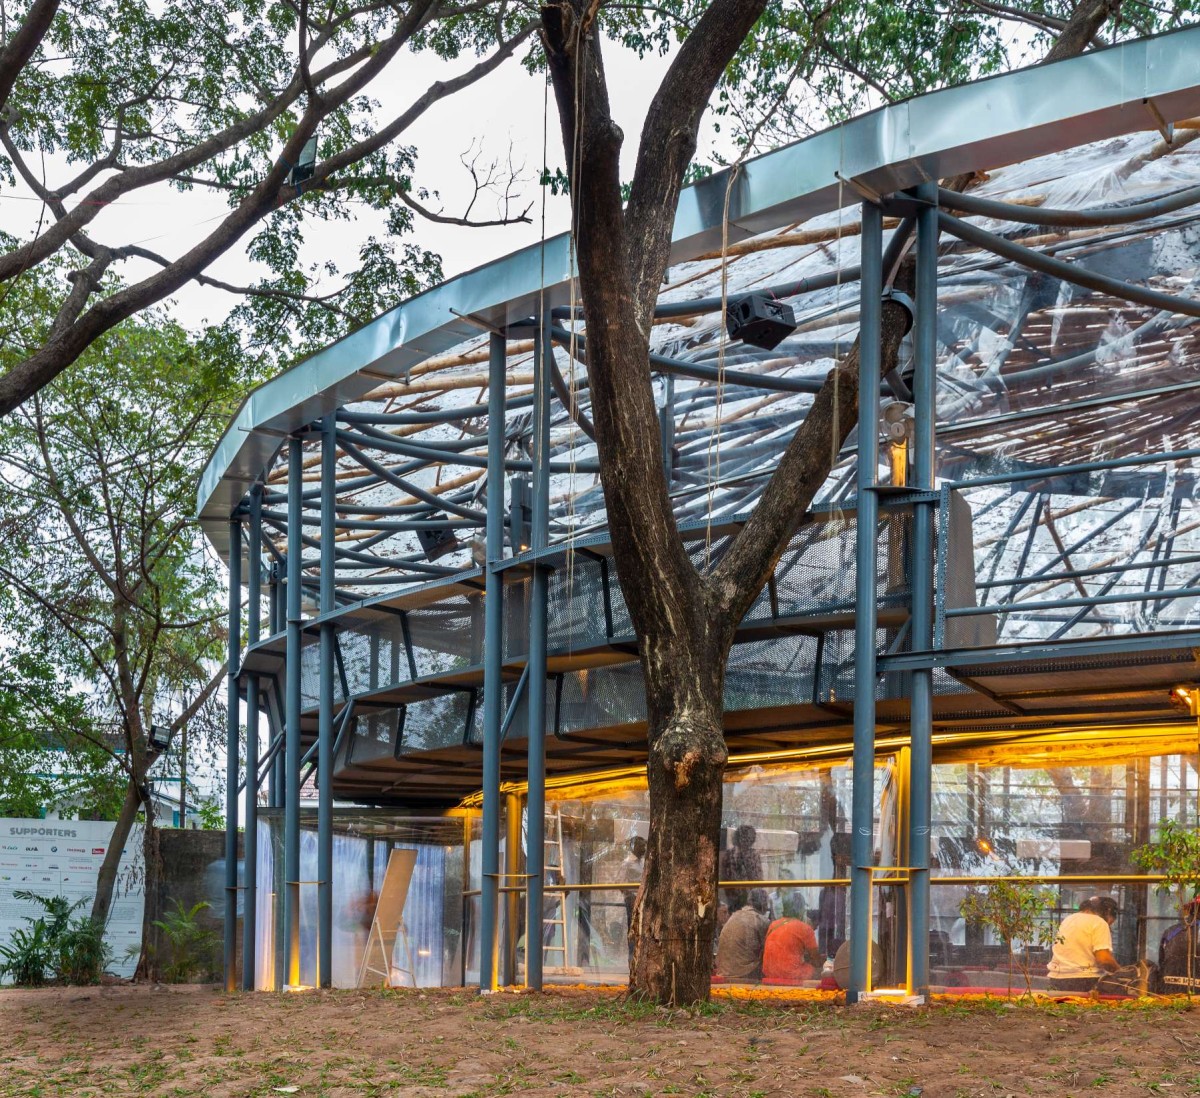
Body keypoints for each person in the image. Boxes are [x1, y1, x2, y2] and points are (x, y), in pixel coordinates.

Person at [1047, 895, 1121, 993]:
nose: (1109, 925)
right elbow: (1104, 959)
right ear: (1108, 912)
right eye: (1111, 921)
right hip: (1083, 980)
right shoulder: (1099, 922)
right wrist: (1120, 973)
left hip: (1056, 978)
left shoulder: (1069, 919)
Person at [715, 888, 770, 982]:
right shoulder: (761, 921)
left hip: (723, 971)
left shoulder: (734, 916)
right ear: (764, 905)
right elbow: (768, 950)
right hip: (744, 974)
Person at [762, 914, 823, 984]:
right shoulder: (805, 928)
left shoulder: (773, 925)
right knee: (820, 972)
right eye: (815, 926)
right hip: (791, 974)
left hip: (769, 972)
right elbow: (816, 960)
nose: (815, 929)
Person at [719, 824, 763, 914]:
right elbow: (724, 877)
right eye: (744, 838)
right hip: (733, 899)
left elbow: (758, 878)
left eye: (748, 839)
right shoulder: (729, 855)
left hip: (747, 899)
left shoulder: (753, 855)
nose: (746, 842)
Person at [621, 835, 646, 966]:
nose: (644, 848)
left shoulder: (644, 862)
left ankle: (640, 958)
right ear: (634, 847)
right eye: (641, 846)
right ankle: (632, 958)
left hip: (644, 899)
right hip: (632, 899)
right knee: (633, 927)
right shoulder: (627, 863)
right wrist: (630, 897)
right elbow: (620, 883)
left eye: (644, 845)